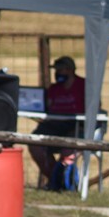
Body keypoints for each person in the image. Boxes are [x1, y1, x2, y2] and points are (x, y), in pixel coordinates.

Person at [30, 56, 85, 190]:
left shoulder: (83, 85)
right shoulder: (54, 88)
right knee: (35, 143)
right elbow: (47, 108)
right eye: (56, 70)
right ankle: (56, 182)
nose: (57, 73)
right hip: (55, 126)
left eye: (60, 70)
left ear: (69, 70)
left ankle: (64, 183)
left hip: (76, 127)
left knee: (68, 151)